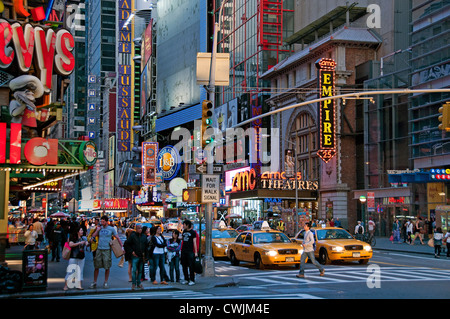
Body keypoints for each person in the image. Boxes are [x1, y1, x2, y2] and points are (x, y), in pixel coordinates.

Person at [89, 215, 123, 289]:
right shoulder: (99, 228)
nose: (102, 222)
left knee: (107, 266)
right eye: (101, 221)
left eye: (103, 221)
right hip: (99, 249)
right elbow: (93, 236)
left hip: (107, 249)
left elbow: (117, 237)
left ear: (106, 222)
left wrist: (122, 247)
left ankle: (105, 282)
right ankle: (94, 282)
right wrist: (97, 230)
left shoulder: (111, 229)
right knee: (96, 266)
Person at [125, 224, 148, 290]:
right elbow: (127, 244)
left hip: (141, 255)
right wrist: (132, 251)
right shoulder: (133, 236)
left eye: (141, 228)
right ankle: (134, 283)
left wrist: (146, 256)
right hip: (135, 255)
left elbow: (146, 246)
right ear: (136, 229)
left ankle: (139, 283)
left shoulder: (144, 236)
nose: (140, 229)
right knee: (134, 270)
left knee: (140, 270)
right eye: (138, 228)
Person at [180, 220, 198, 286]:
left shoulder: (193, 232)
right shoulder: (184, 231)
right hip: (183, 251)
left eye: (184, 224)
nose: (183, 226)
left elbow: (194, 242)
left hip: (190, 251)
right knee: (184, 265)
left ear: (187, 225)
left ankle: (192, 280)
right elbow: (182, 238)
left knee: (191, 266)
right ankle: (186, 279)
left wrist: (195, 252)